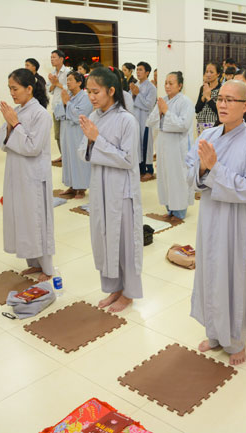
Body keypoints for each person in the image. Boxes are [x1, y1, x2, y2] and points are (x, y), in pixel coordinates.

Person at [187, 79, 246, 366]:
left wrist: (214, 168)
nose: (222, 104)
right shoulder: (207, 136)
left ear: (245, 106)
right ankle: (214, 332)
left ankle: (236, 340)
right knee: (210, 271)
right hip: (211, 217)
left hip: (238, 222)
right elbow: (190, 174)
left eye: (230, 100)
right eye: (220, 98)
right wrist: (202, 168)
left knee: (236, 277)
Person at [78, 67, 143, 313]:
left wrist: (97, 140)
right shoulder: (93, 116)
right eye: (89, 92)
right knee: (104, 239)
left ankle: (129, 293)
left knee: (124, 243)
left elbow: (128, 159)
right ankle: (114, 288)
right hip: (100, 187)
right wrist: (91, 140)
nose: (91, 97)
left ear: (111, 90)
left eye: (96, 92)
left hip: (121, 191)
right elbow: (82, 152)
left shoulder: (127, 120)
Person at [0, 69, 55, 281]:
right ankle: (33, 263)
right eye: (10, 89)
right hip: (16, 174)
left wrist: (15, 124)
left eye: (15, 88)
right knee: (23, 218)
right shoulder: (17, 111)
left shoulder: (41, 114)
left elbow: (33, 147)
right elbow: (3, 142)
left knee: (37, 220)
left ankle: (47, 268)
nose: (12, 93)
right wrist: (10, 124)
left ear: (29, 88)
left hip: (33, 176)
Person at [147, 71, 195, 221]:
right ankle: (170, 209)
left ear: (179, 85)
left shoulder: (185, 102)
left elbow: (183, 125)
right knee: (165, 177)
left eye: (171, 83)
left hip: (177, 147)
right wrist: (160, 112)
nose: (167, 86)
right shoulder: (163, 100)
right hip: (163, 146)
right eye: (166, 83)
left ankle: (179, 212)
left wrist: (166, 112)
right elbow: (150, 122)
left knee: (177, 178)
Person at [53, 71, 92, 199]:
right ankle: (72, 186)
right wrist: (65, 104)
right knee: (68, 158)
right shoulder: (67, 95)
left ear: (79, 82)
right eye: (67, 80)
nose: (68, 82)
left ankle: (81, 188)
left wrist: (67, 104)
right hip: (66, 132)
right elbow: (58, 112)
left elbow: (79, 116)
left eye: (70, 80)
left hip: (78, 134)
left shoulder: (85, 97)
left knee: (79, 160)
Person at [129, 61, 157, 180]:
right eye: (137, 70)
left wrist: (137, 95)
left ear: (147, 72)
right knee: (137, 145)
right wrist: (133, 94)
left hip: (145, 120)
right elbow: (130, 102)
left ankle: (149, 171)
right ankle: (140, 170)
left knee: (146, 145)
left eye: (141, 70)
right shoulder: (136, 85)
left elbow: (149, 105)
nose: (138, 72)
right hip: (135, 120)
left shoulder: (151, 88)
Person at [47, 49, 70, 163]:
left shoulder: (68, 72)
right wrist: (53, 83)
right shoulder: (52, 73)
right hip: (56, 107)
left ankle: (68, 156)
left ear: (61, 59)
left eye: (54, 57)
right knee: (57, 134)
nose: (52, 59)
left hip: (65, 107)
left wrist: (57, 83)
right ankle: (63, 155)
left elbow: (70, 88)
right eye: (51, 57)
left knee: (66, 134)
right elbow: (49, 90)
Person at [196, 63, 222, 135]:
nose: (208, 74)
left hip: (214, 124)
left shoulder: (221, 89)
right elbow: (197, 109)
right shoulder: (203, 88)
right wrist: (203, 97)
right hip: (200, 123)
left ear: (218, 74)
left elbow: (219, 110)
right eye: (206, 72)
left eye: (211, 72)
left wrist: (208, 98)